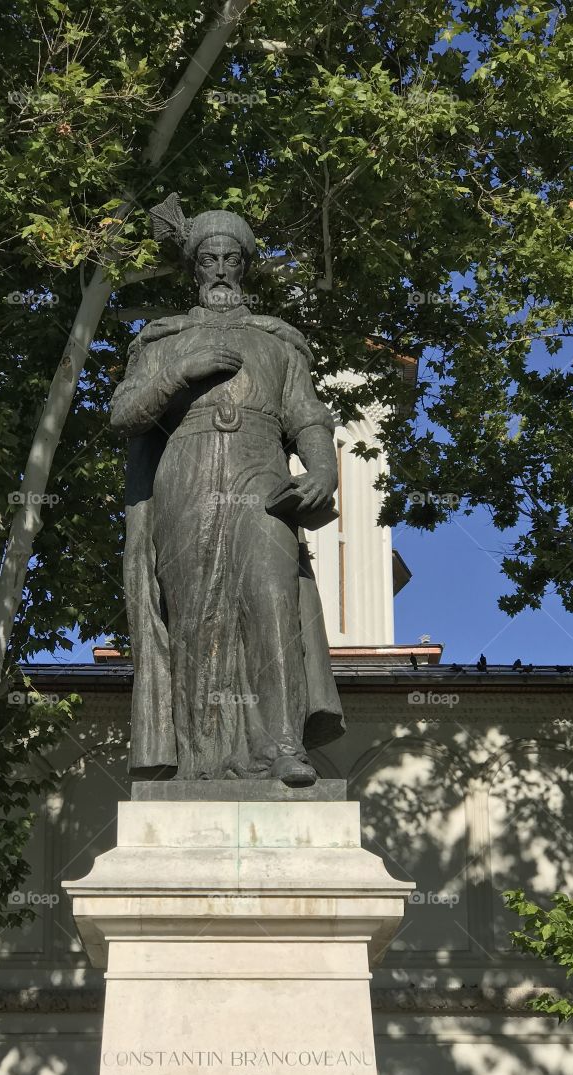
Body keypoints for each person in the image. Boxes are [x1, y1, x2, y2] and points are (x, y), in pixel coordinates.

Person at [111, 198, 344, 784]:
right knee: (195, 619)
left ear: (245, 266)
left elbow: (308, 417)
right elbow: (123, 416)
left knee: (272, 604)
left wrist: (322, 471)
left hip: (261, 476)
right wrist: (178, 373)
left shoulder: (278, 341)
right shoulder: (163, 338)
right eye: (208, 258)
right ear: (195, 267)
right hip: (186, 479)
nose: (219, 269)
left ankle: (282, 747)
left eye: (230, 259)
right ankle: (200, 759)